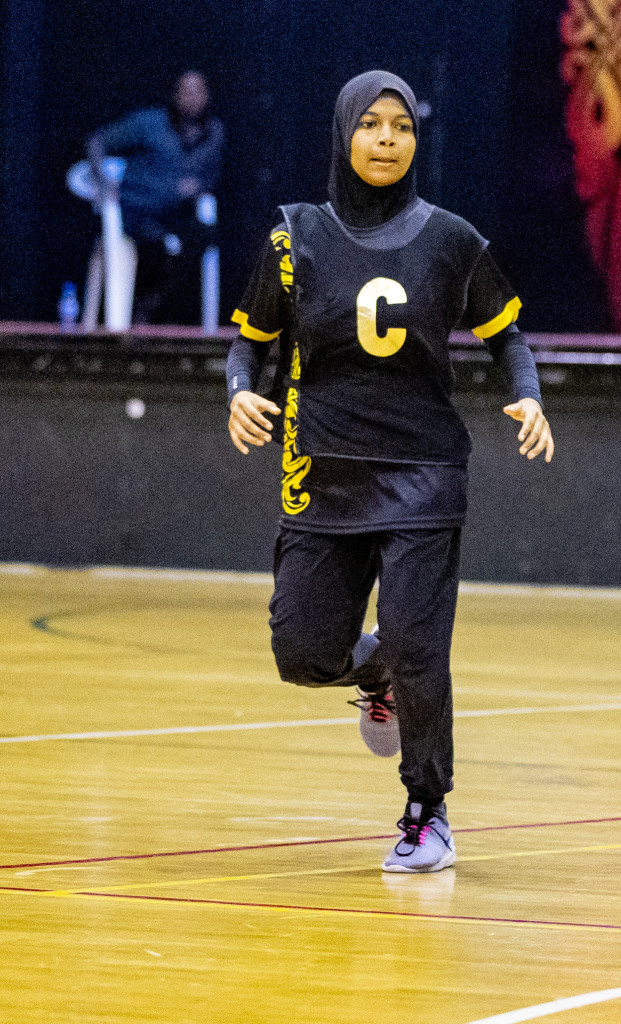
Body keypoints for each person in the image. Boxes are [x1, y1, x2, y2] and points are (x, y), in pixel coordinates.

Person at [223, 71, 552, 873]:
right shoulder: (292, 235)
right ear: (343, 135)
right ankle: (375, 671)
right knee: (301, 653)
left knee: (419, 645)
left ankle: (426, 810)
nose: (385, 140)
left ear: (416, 140)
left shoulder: (450, 238)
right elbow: (250, 341)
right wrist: (237, 393)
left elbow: (508, 336)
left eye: (400, 126)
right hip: (321, 469)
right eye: (369, 125)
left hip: (423, 471)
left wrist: (529, 397)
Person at [88, 71, 225, 324]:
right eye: (186, 91)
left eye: (198, 92)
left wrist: (197, 187)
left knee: (207, 236)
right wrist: (103, 183)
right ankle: (137, 315)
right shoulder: (148, 123)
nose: (192, 98)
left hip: (176, 215)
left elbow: (212, 176)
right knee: (157, 245)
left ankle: (163, 314)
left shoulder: (213, 133)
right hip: (137, 210)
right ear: (175, 95)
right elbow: (98, 141)